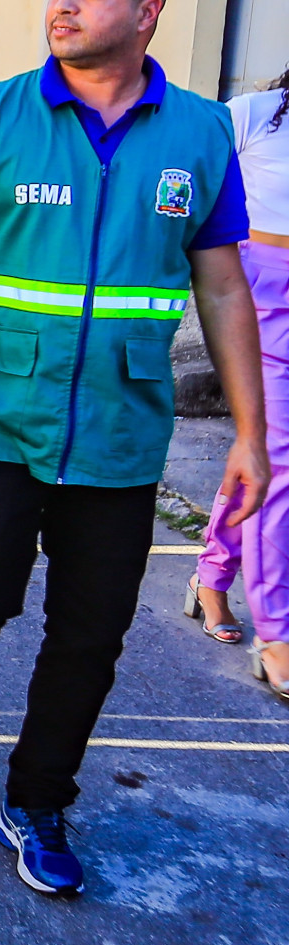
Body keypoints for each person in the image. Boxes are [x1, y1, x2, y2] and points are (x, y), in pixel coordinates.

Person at [0, 0, 267, 898]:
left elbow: (223, 289)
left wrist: (252, 438)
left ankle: (38, 800)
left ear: (146, 12)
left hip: (122, 428)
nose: (63, 2)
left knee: (92, 630)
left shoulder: (199, 133)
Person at [191, 65, 289, 698]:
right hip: (261, 304)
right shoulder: (256, 114)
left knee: (262, 458)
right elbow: (193, 174)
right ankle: (277, 632)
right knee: (278, 462)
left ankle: (212, 574)